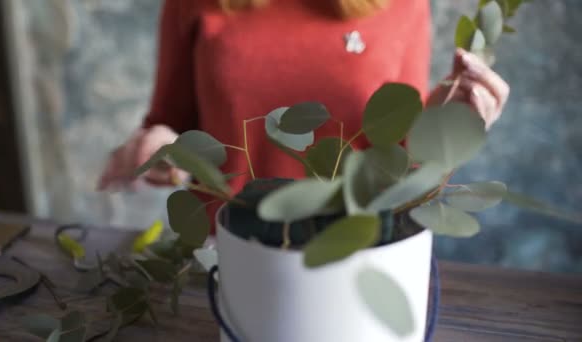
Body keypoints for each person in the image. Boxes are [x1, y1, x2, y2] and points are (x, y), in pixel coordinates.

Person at [97, 0, 509, 203]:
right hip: (227, 256)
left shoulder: (400, 4)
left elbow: (398, 165)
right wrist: (157, 148)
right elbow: (167, 124)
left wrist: (444, 129)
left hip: (357, 255)